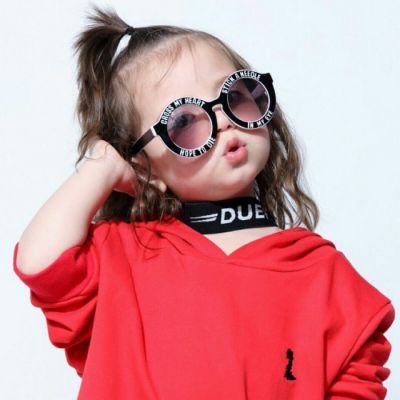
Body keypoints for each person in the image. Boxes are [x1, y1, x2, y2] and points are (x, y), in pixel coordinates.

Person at [13, 5, 395, 400]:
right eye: (183, 121)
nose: (225, 119)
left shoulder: (325, 276)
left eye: (236, 95)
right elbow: (39, 262)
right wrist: (100, 168)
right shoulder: (121, 259)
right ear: (143, 166)